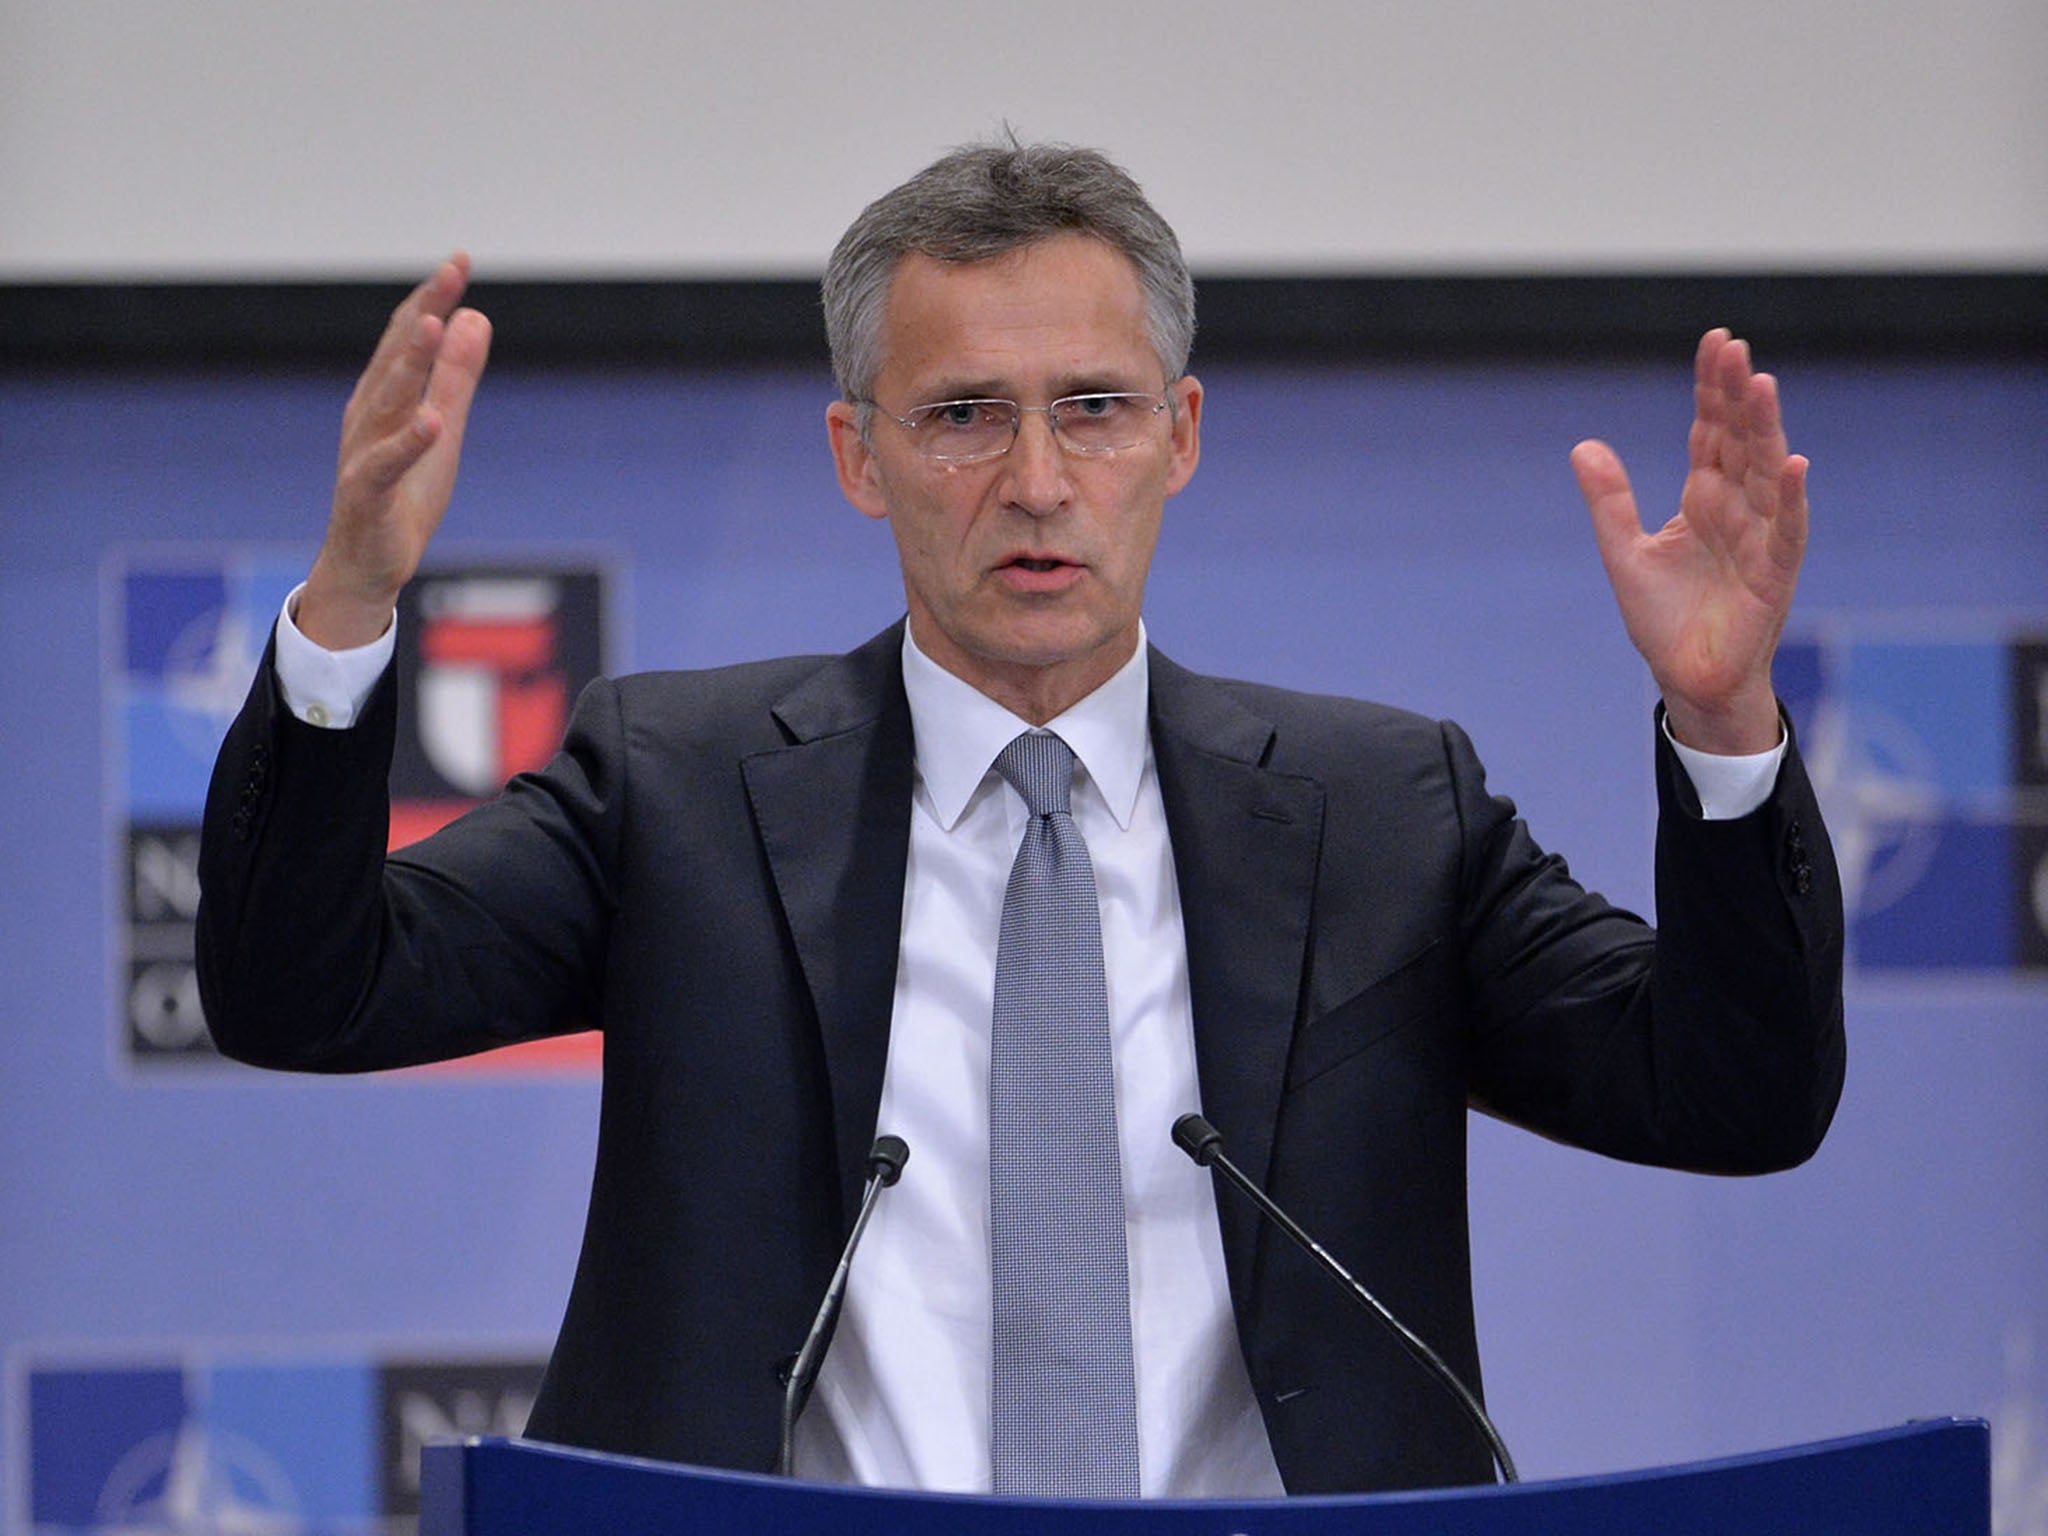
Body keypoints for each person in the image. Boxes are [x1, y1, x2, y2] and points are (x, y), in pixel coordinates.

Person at [196, 140, 1845, 1498]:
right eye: (966, 415)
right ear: (861, 456)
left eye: (1094, 408)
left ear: (1180, 436)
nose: (1039, 482)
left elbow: (1736, 1093)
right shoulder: (679, 785)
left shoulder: (1379, 810)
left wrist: (1722, 726)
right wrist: (349, 607)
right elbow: (305, 993)